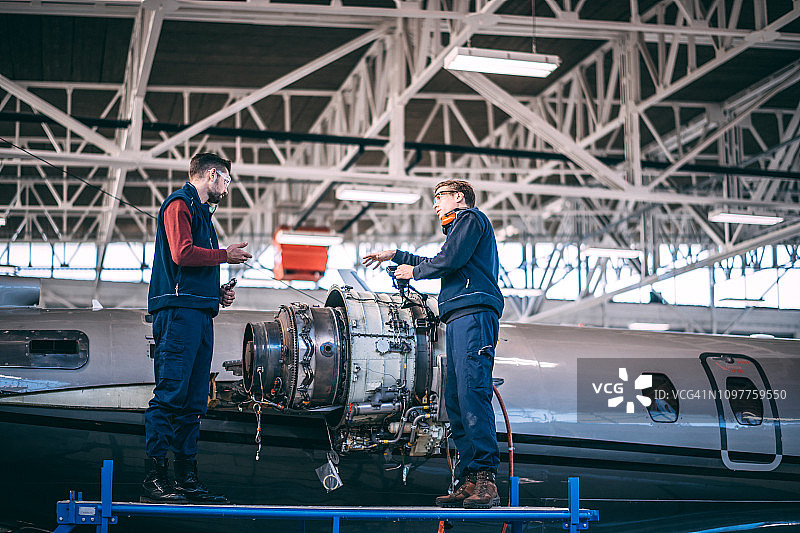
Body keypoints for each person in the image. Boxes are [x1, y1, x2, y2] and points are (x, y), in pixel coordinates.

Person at [362, 179, 504, 509]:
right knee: (455, 400)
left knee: (472, 393)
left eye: (441, 197)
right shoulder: (458, 233)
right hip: (457, 316)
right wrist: (397, 255)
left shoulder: (470, 219)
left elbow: (448, 261)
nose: (436, 204)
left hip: (474, 314)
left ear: (460, 198)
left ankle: (486, 479)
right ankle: (469, 480)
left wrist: (412, 272)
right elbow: (443, 259)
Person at [144, 152, 252, 503]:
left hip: (198, 312)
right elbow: (181, 254)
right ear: (210, 174)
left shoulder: (202, 213)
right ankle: (154, 477)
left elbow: (189, 267)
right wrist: (225, 255)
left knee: (193, 403)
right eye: (226, 180)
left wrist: (215, 292)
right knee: (171, 396)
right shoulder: (179, 205)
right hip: (179, 315)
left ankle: (186, 479)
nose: (227, 187)